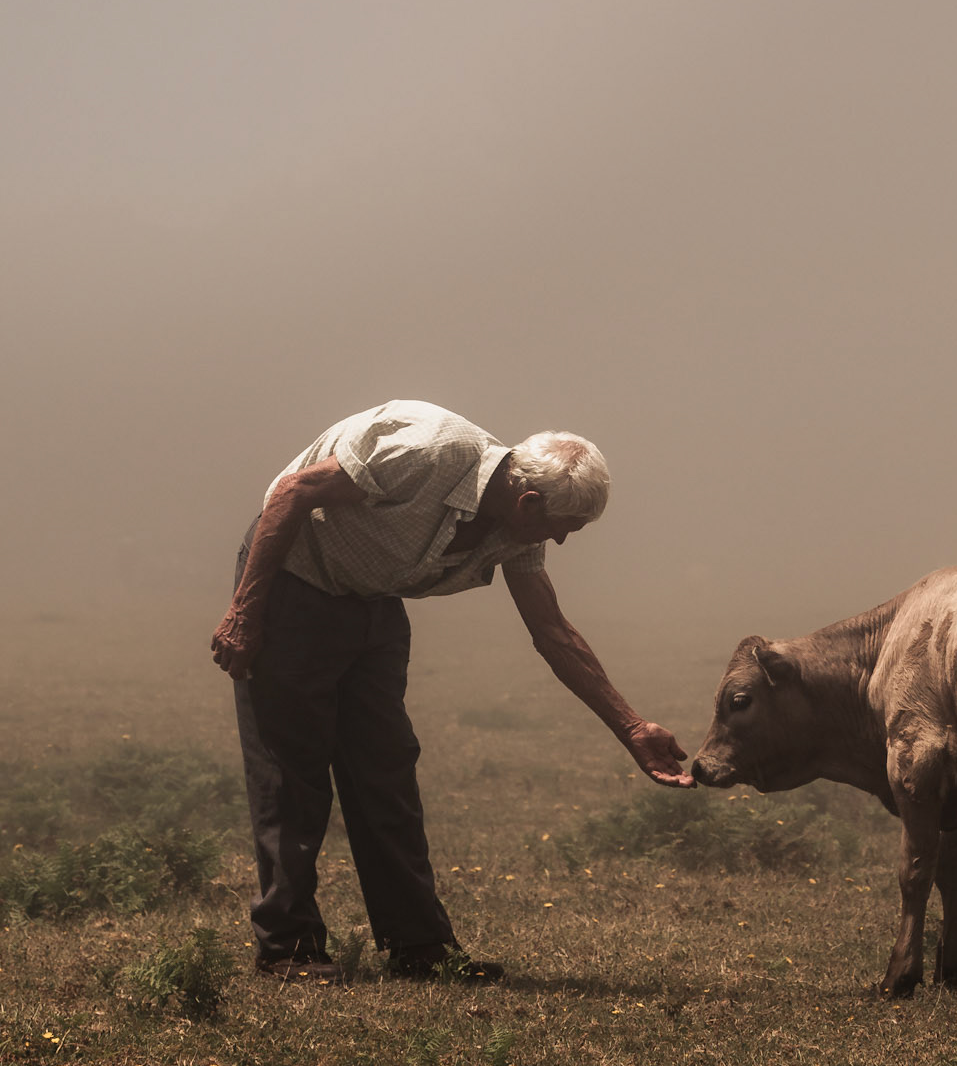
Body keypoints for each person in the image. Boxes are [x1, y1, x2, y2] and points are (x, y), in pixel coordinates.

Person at [211, 400, 691, 983]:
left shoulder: (516, 527)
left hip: (372, 601)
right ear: (529, 502)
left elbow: (553, 632)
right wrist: (245, 612)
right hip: (293, 584)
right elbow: (292, 493)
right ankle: (288, 950)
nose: (561, 542)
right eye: (564, 527)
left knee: (387, 771)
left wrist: (633, 728)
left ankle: (420, 949)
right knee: (293, 771)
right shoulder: (427, 453)